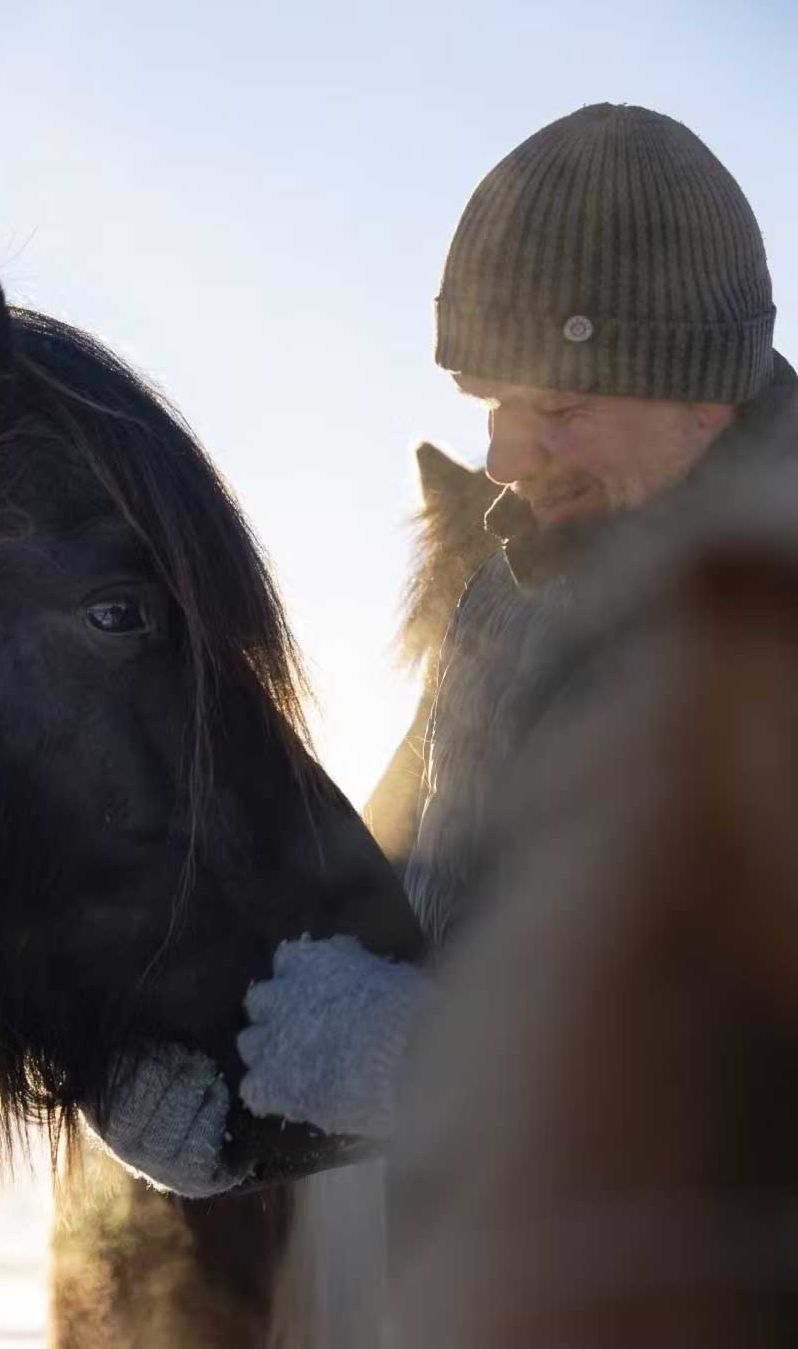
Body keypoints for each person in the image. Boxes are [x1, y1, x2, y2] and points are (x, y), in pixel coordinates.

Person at [237, 101, 798, 1141]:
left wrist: (432, 1069)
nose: (501, 458)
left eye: (560, 411)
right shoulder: (510, 596)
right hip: (483, 1279)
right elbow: (408, 907)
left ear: (704, 395)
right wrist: (218, 1073)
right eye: (489, 403)